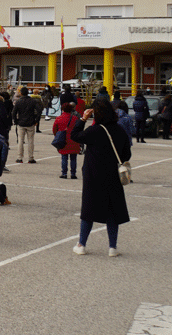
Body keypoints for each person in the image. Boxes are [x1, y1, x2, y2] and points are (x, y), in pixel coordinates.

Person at [70, 101, 132, 256]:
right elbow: (126, 155)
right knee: (112, 211)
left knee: (88, 209)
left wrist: (83, 119)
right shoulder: (119, 130)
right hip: (113, 175)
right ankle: (112, 247)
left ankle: (81, 244)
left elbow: (74, 136)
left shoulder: (94, 130)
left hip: (93, 174)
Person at [53, 101, 82, 179]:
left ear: (62, 109)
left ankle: (64, 173)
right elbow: (79, 128)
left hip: (64, 140)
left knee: (64, 157)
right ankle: (73, 173)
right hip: (74, 140)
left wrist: (57, 135)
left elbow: (54, 129)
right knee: (73, 158)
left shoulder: (58, 118)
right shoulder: (75, 118)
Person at [11, 86, 38, 163]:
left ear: (21, 93)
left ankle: (19, 157)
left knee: (20, 140)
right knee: (31, 141)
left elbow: (14, 112)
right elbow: (39, 110)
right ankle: (30, 157)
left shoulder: (18, 101)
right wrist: (36, 120)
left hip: (21, 123)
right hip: (30, 123)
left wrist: (16, 121)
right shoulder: (32, 101)